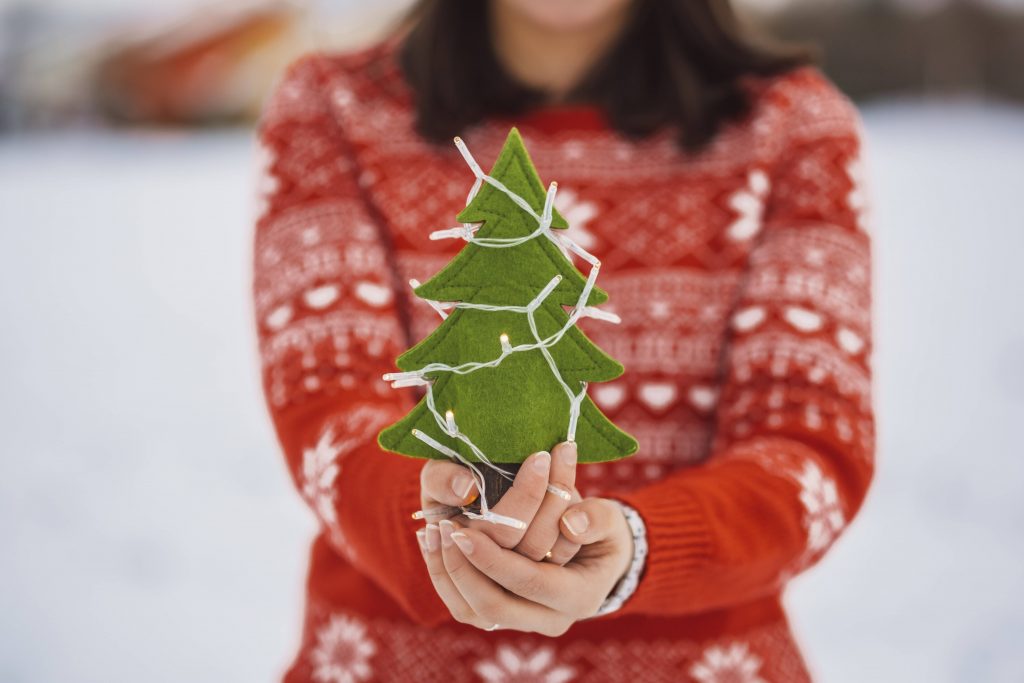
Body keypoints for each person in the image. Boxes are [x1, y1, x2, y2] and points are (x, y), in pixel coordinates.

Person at [253, 0, 875, 680]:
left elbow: (808, 442)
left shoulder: (791, 127)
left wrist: (640, 547)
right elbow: (328, 404)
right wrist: (444, 525)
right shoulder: (334, 108)